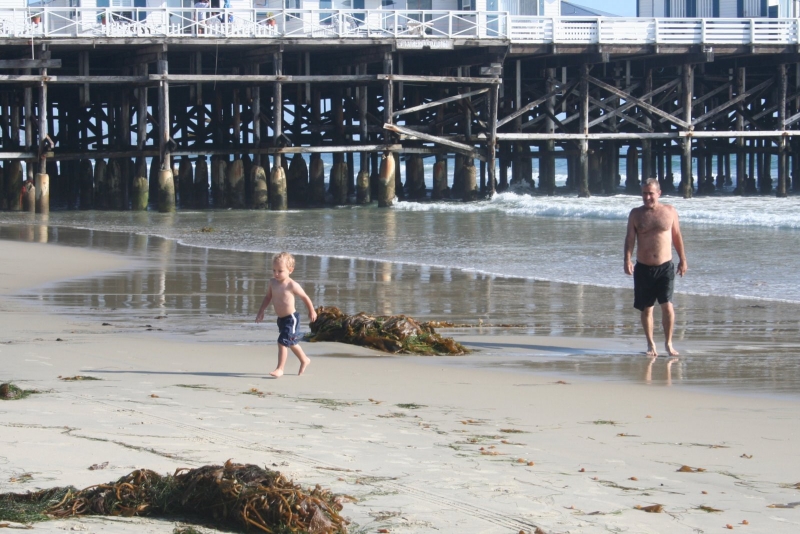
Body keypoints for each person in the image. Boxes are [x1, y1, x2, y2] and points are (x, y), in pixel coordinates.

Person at [624, 178, 687, 357]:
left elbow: (677, 236)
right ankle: (651, 344)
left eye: (651, 193)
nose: (647, 197)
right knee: (647, 308)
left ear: (659, 193)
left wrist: (683, 259)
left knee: (667, 306)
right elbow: (630, 238)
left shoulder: (670, 211)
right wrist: (627, 260)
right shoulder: (635, 214)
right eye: (644, 193)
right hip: (643, 268)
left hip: (665, 267)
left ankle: (668, 343)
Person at [255, 252, 318, 377]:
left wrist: (312, 310)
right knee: (291, 342)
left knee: (282, 342)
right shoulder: (272, 282)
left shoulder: (292, 285)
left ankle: (280, 369)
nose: (276, 274)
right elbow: (268, 297)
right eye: (274, 270)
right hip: (281, 319)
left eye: (280, 271)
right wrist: (261, 311)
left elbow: (305, 297)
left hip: (291, 319)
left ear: (290, 270)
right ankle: (304, 359)